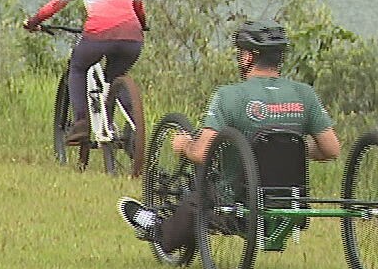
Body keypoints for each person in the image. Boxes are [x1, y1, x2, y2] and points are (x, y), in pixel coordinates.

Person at [118, 21, 342, 253]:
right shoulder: (305, 94)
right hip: (290, 204)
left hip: (236, 204)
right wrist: (291, 148)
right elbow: (331, 149)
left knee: (197, 199)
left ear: (248, 57)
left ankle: (158, 230)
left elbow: (202, 153)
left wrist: (184, 146)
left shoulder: (229, 96)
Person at [23, 0, 148, 145]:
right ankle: (132, 132)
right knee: (115, 78)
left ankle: (81, 123)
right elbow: (139, 7)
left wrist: (33, 22)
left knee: (78, 68)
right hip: (132, 37)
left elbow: (55, 5)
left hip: (98, 35)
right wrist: (143, 25)